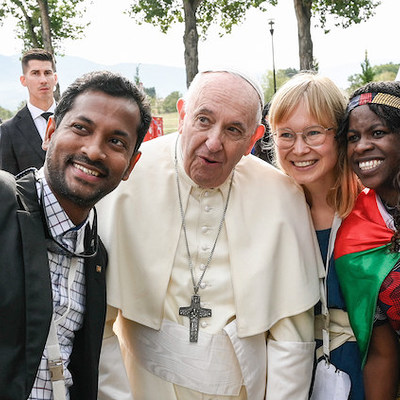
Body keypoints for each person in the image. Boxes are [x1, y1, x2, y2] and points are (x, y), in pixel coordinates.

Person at [97, 70, 322, 400]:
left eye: (233, 130)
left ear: (253, 139)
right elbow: (99, 325)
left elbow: (292, 336)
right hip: (143, 385)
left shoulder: (280, 195)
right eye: (203, 120)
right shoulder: (128, 178)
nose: (214, 143)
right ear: (183, 113)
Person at [0, 70, 151, 400]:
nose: (94, 151)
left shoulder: (96, 258)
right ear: (50, 131)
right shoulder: (3, 205)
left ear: (130, 166)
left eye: (116, 142)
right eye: (81, 128)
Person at [266, 71, 364, 399]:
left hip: (363, 373)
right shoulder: (270, 212)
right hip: (290, 377)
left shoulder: (373, 211)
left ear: (340, 135)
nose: (299, 148)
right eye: (286, 134)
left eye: (313, 133)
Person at [335, 81, 400, 399]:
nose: (361, 147)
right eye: (352, 138)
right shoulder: (354, 237)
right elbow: (381, 352)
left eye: (378, 133)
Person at [0, 48, 58, 175]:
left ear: (55, 78)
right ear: (23, 80)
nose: (43, 80)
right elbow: (8, 183)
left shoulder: (72, 119)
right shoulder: (8, 131)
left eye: (47, 73)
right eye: (35, 73)